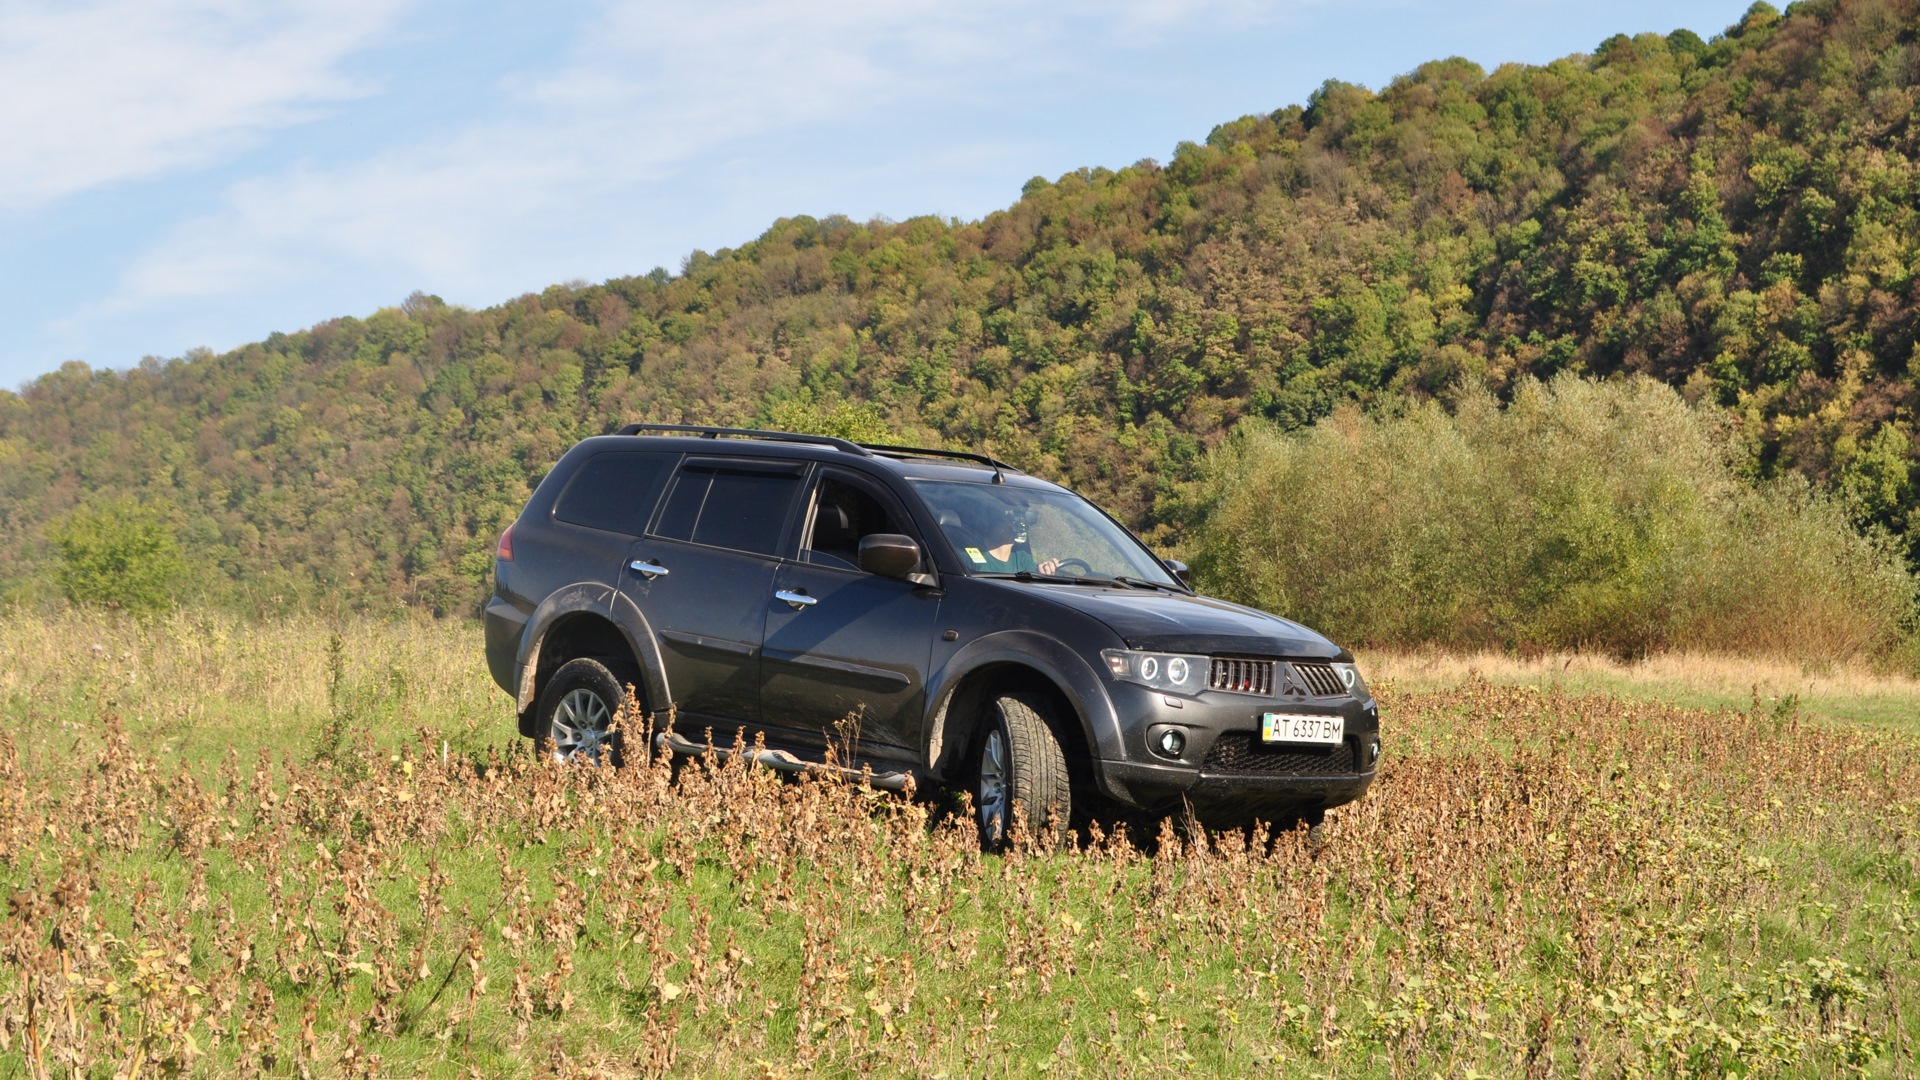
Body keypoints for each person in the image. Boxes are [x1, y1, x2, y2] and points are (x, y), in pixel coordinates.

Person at [963, 508, 1062, 575]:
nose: (1014, 526)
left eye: (1020, 521)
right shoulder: (969, 557)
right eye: (1008, 519)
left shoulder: (1022, 559)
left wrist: (1046, 570)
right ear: (991, 522)